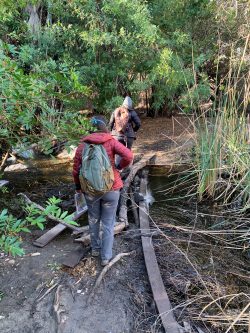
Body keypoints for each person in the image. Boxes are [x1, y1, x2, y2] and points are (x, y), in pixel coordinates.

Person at [72, 116, 133, 266]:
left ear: (90, 129)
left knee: (93, 220)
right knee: (108, 223)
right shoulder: (111, 141)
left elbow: (75, 170)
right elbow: (129, 155)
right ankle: (105, 257)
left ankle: (95, 250)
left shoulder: (82, 146)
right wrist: (119, 167)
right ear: (104, 127)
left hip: (90, 190)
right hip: (111, 188)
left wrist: (79, 188)